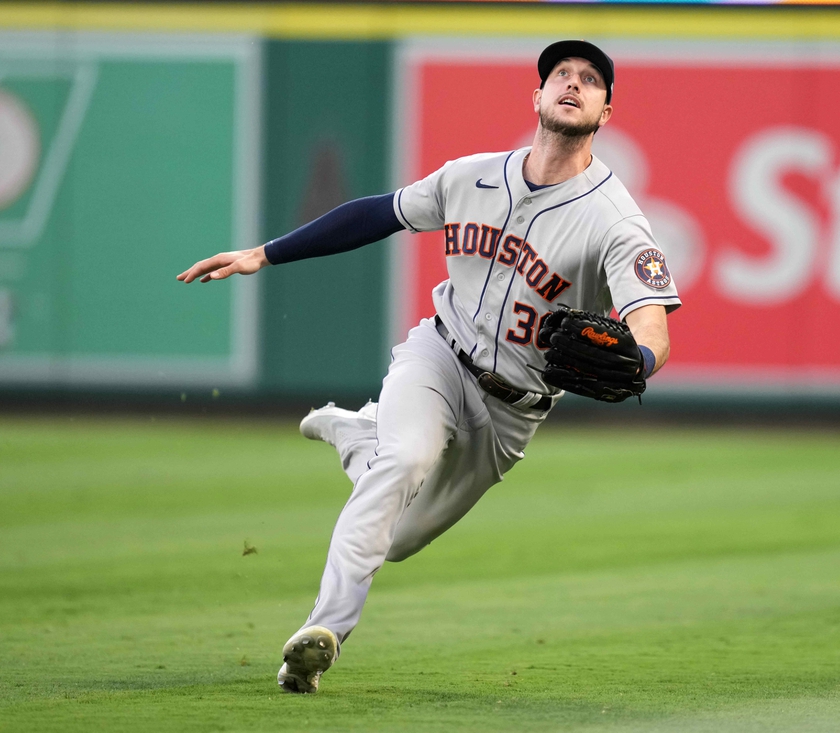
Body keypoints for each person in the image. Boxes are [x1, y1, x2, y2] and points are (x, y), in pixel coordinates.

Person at [177, 39, 681, 693]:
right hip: (439, 356)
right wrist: (265, 254)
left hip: (511, 412)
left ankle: (359, 434)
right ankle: (320, 637)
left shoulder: (615, 220)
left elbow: (653, 326)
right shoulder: (469, 176)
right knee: (405, 461)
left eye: (590, 80)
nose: (573, 83)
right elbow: (375, 214)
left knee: (398, 535)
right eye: (561, 73)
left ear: (605, 111)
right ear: (536, 96)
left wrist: (637, 357)